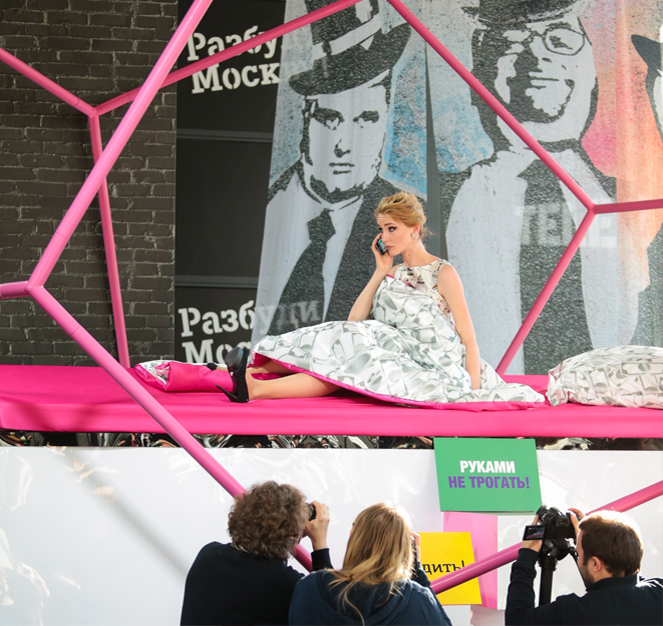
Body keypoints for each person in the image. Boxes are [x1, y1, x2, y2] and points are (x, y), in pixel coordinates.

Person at [218, 191, 543, 406]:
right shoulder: (394, 272)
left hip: (435, 361)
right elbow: (354, 322)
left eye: (392, 229)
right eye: (382, 229)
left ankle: (256, 378)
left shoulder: (443, 273)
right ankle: (253, 377)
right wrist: (381, 271)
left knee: (356, 358)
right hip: (395, 351)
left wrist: (473, 388)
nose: (385, 237)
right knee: (352, 344)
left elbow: (468, 338)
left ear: (415, 229)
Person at [440, 0, 621, 374]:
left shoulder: (636, 206)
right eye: (511, 43)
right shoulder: (435, 206)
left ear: (592, 68)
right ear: (478, 74)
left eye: (561, 40)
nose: (537, 57)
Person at [252, 0, 411, 341]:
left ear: (385, 121)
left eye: (366, 119)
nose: (344, 145)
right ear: (306, 117)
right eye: (329, 119)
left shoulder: (407, 231)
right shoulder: (263, 208)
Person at [180, 481, 331, 626]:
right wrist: (320, 544)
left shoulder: (208, 556)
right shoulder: (288, 585)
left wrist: (291, 536)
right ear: (292, 536)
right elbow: (329, 612)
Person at [289, 503, 452, 625]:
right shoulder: (419, 600)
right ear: (403, 548)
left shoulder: (307, 587)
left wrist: (320, 546)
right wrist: (417, 572)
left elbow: (324, 595)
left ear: (354, 536)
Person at [505, 508, 663, 625]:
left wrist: (526, 556)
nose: (578, 559)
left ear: (595, 564)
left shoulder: (572, 612)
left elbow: (516, 620)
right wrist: (592, 538)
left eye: (578, 554)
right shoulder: (658, 592)